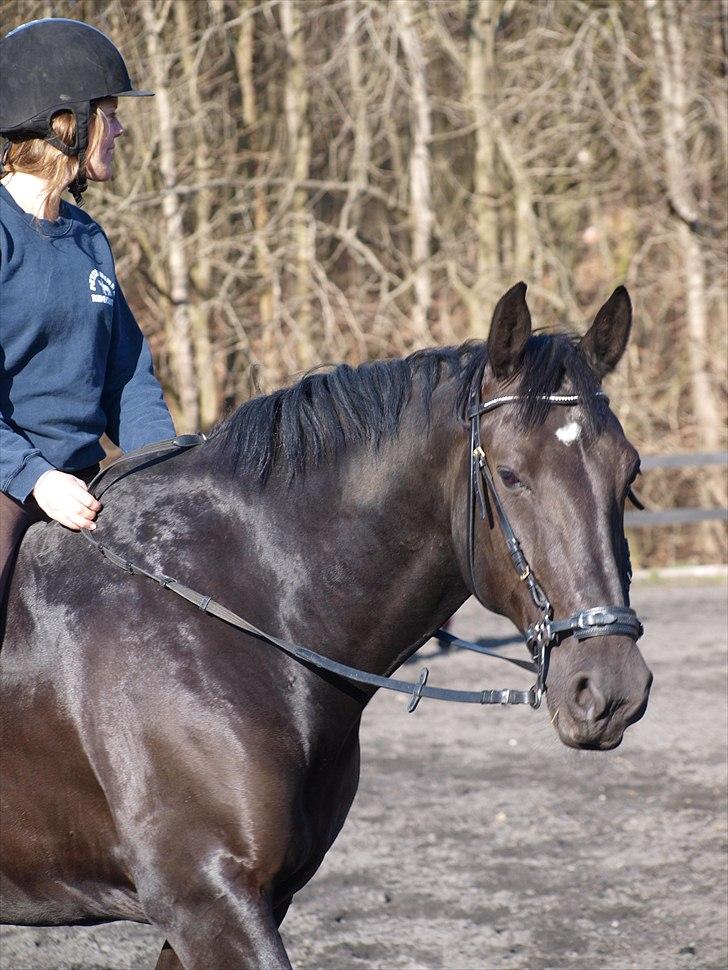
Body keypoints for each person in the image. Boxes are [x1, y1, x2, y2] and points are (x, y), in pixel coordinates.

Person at [0, 18, 176, 618]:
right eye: (109, 112)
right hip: (11, 482)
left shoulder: (87, 236)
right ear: (66, 122)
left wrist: (166, 469)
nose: (121, 128)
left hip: (85, 481)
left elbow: (126, 378)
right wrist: (34, 479)